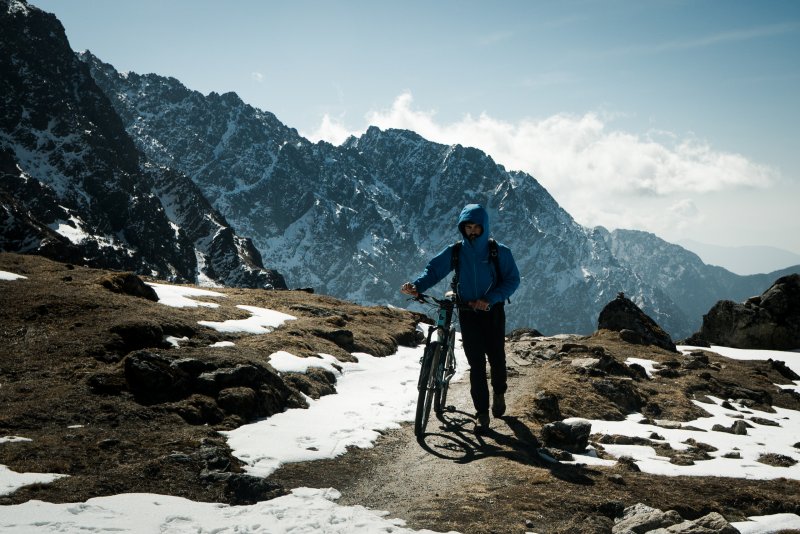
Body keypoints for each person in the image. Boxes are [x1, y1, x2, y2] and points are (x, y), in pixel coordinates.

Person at [401, 203, 520, 431]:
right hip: (467, 312)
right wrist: (416, 286)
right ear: (462, 228)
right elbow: (433, 271)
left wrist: (491, 299)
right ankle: (482, 414)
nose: (472, 231)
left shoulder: (499, 252)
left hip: (492, 311)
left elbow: (512, 280)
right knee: (476, 364)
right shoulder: (455, 251)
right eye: (468, 227)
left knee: (496, 358)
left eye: (477, 227)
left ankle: (500, 392)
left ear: (484, 227)